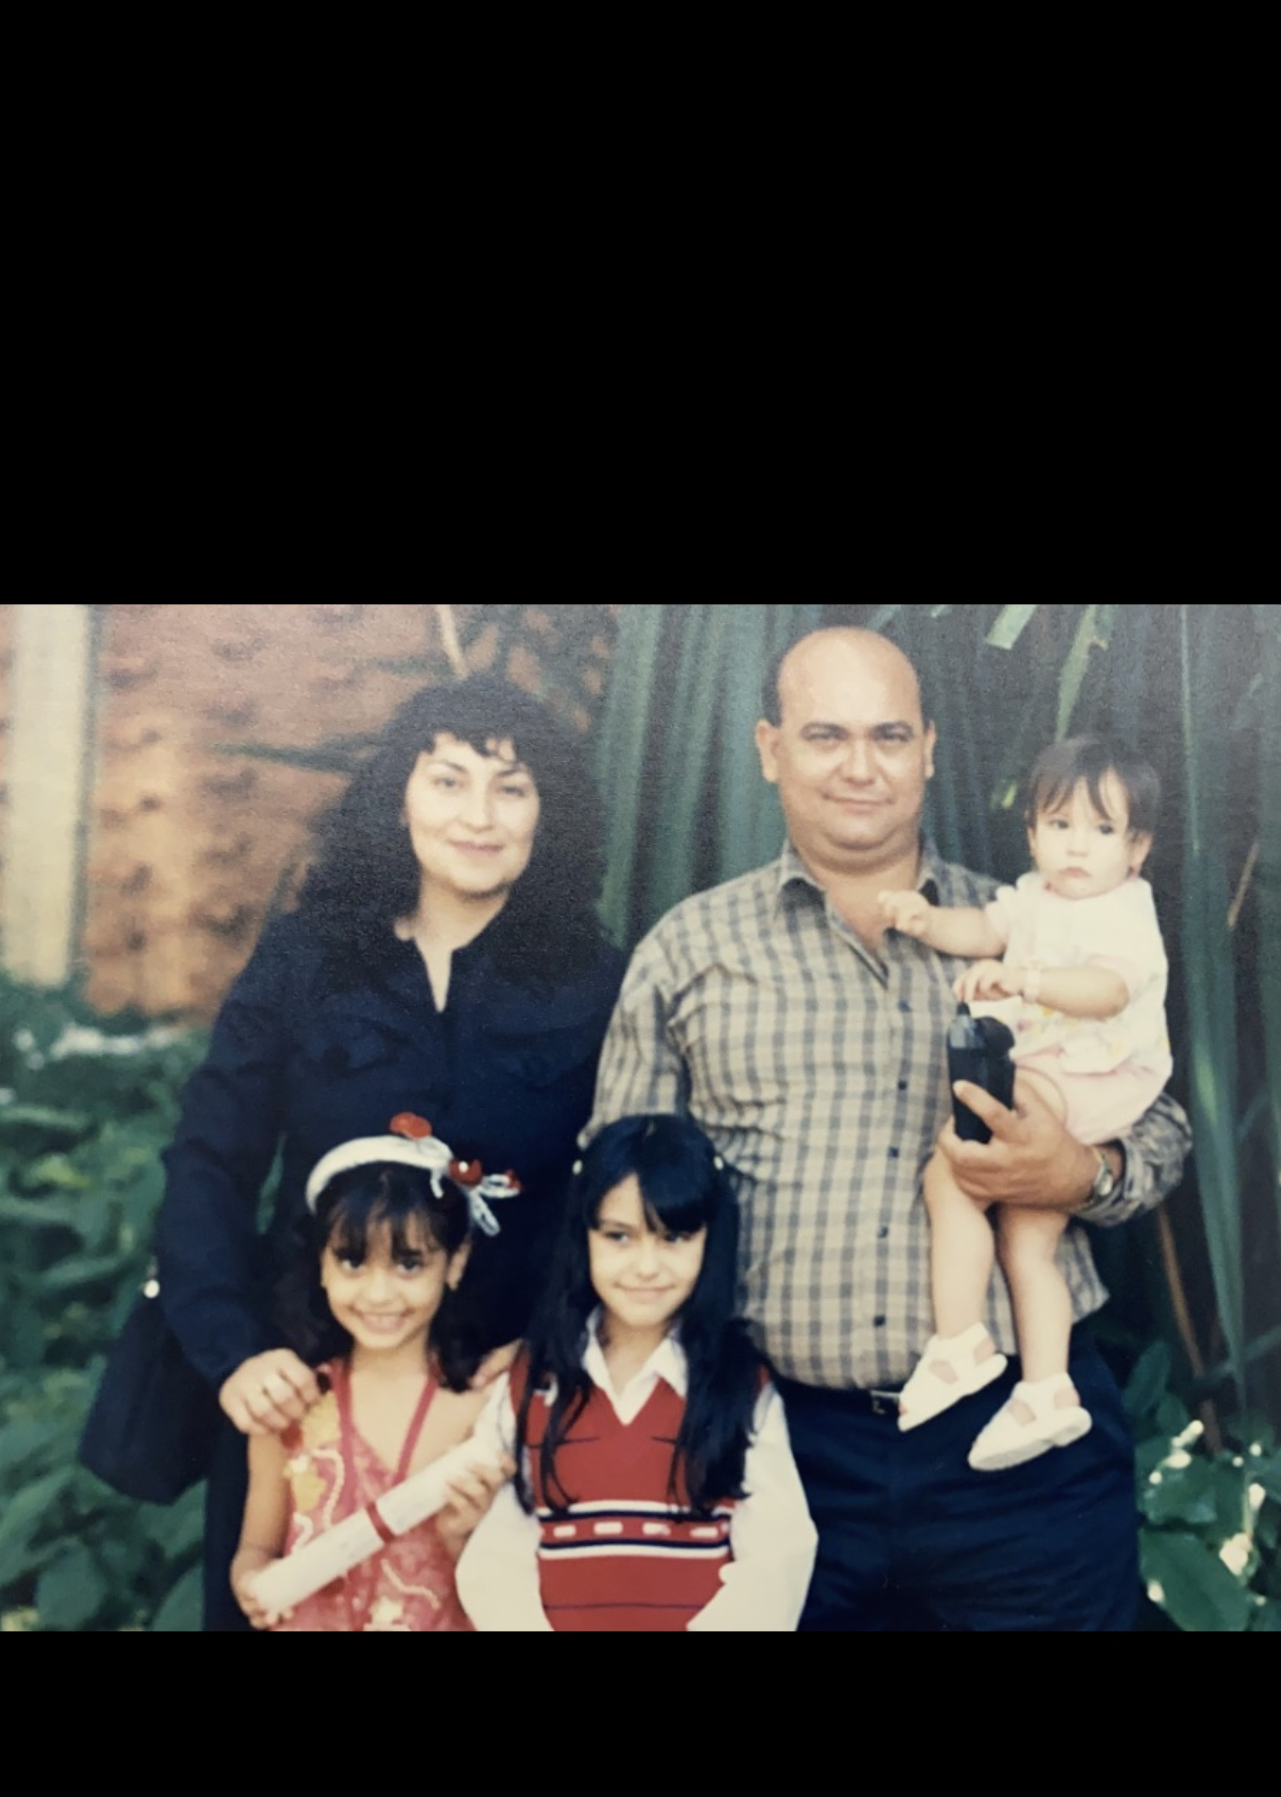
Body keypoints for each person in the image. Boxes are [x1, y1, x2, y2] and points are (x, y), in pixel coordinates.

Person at [590, 626, 1194, 1634]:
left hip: (1017, 1449)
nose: (861, 766)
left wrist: (1083, 1172)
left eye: (889, 734)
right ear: (770, 748)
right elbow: (620, 1200)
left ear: (930, 750)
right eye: (826, 735)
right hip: (777, 1453)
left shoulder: (1039, 923)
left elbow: (1161, 1123)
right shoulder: (688, 951)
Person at [155, 675, 624, 1632]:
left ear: (552, 814)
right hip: (311, 1394)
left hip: (497, 1416)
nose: (478, 817)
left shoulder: (595, 981)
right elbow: (210, 1158)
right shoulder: (306, 960)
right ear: (397, 796)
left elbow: (616, 1196)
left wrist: (556, 1351)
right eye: (447, 780)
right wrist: (235, 1351)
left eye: (512, 787)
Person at [878, 734, 1171, 1473]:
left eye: (1102, 831)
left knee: (951, 1171)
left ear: (1136, 849)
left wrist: (1023, 980)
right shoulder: (1036, 897)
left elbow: (1106, 992)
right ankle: (1047, 1389)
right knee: (1028, 1240)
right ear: (1033, 833)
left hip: (1091, 1075)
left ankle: (960, 1342)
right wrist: (925, 920)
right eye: (1060, 825)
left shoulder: (1124, 912)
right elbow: (979, 929)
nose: (1077, 847)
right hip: (1060, 1076)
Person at [455, 1114, 818, 1632]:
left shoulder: (739, 1386)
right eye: (619, 1237)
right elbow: (497, 1557)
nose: (646, 1266)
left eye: (673, 1237)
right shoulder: (533, 1383)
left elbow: (777, 1558)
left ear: (709, 1241)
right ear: (584, 1237)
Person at [231, 1121, 516, 1632]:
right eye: (353, 1262)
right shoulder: (291, 1403)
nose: (380, 1295)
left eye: (409, 1265)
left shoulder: (485, 1406)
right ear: (320, 1263)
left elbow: (512, 1584)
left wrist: (464, 1536)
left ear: (455, 1263)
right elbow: (256, 1545)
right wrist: (251, 1582)